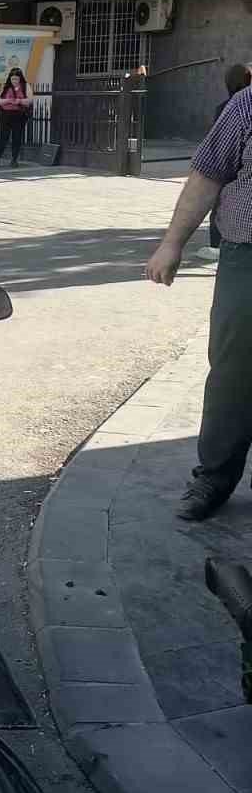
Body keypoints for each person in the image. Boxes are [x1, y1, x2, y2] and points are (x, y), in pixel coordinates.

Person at [146, 78, 252, 522]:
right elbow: (207, 176)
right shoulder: (247, 105)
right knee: (233, 373)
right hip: (247, 259)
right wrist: (172, 244)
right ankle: (214, 476)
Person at [209, 64, 252, 247]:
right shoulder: (242, 105)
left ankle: (215, 243)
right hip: (237, 168)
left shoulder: (223, 107)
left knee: (219, 204)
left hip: (227, 166)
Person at [0, 68, 32, 168]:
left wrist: (19, 101)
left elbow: (29, 100)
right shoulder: (6, 87)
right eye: (12, 79)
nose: (14, 81)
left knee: (16, 137)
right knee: (2, 137)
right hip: (6, 115)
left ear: (20, 78)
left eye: (16, 79)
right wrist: (8, 100)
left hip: (19, 115)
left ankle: (14, 159)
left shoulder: (25, 86)